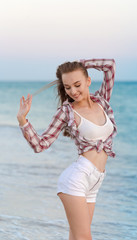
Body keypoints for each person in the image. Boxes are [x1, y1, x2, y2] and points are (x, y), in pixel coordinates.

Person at [17, 58, 117, 240]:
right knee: (84, 238)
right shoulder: (67, 112)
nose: (73, 91)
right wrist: (23, 121)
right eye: (67, 87)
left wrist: (81, 63)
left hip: (96, 182)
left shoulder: (102, 101)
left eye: (77, 84)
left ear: (88, 81)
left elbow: (109, 66)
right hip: (77, 178)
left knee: (76, 237)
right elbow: (40, 144)